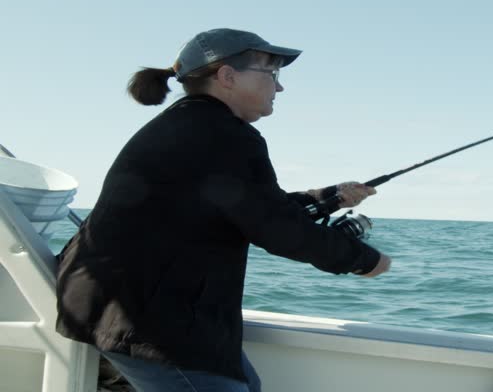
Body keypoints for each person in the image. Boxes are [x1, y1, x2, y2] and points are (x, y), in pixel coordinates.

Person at [55, 28, 391, 392]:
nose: (279, 88)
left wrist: (329, 196)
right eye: (272, 74)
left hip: (125, 305)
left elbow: (251, 207)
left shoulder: (195, 125)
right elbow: (277, 228)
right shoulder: (223, 135)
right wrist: (364, 261)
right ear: (227, 76)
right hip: (147, 319)